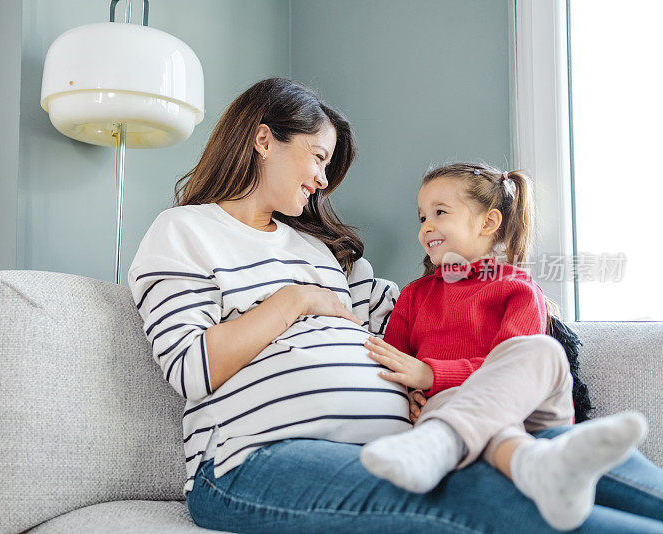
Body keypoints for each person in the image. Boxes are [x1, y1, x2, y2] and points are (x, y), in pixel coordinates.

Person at [128, 77, 663, 533]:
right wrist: (296, 300)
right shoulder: (185, 231)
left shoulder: (321, 253)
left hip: (410, 441)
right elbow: (190, 367)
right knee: (491, 495)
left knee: (581, 450)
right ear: (264, 140)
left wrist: (514, 309)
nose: (321, 180)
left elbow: (432, 310)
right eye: (317, 158)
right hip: (250, 460)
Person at [358, 162, 648, 530]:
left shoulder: (518, 288)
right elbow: (390, 363)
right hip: (460, 416)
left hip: (534, 415)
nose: (426, 227)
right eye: (421, 217)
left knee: (541, 352)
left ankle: (449, 440)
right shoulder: (414, 296)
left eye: (440, 213)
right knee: (453, 400)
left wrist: (431, 374)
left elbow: (512, 372)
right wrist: (410, 390)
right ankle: (539, 468)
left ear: (488, 222)